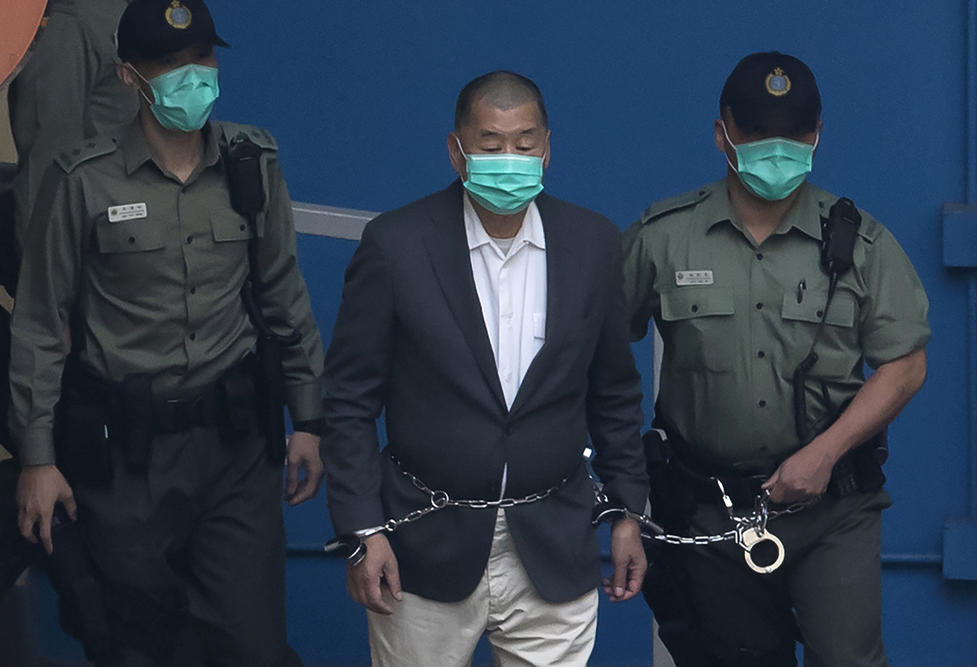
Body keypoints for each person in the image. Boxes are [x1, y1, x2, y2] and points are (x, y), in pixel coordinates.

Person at [10, 1, 324, 664]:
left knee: (252, 645)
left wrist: (311, 418)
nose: (190, 77)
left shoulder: (252, 162)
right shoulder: (82, 181)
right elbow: (40, 324)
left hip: (235, 446)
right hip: (127, 458)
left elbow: (284, 295)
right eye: (168, 64)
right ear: (130, 76)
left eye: (201, 59)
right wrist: (38, 459)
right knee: (139, 645)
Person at [322, 70, 649, 667]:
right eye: (491, 145)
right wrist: (362, 530)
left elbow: (614, 393)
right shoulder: (396, 245)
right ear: (456, 151)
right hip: (422, 544)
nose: (510, 160)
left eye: (524, 145)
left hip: (554, 539)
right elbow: (348, 398)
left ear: (548, 148)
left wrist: (627, 511)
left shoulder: (593, 243)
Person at [623, 51, 929, 666]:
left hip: (833, 510)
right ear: (723, 134)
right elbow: (596, 353)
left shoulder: (864, 243)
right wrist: (618, 490)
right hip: (710, 511)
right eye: (760, 135)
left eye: (793, 136)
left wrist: (825, 452)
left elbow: (905, 364)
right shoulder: (662, 237)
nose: (777, 150)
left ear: (816, 136)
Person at [9, 0, 137, 253]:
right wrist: (44, 286)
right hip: (90, 257)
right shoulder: (74, 18)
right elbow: (44, 171)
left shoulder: (130, 10)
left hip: (135, 248)